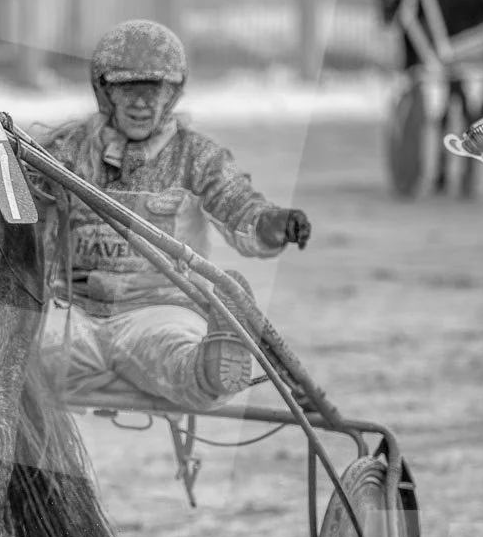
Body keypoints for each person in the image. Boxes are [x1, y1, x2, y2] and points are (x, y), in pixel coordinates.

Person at [34, 20, 312, 412]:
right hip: (73, 317)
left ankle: (212, 365)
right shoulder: (66, 151)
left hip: (159, 314)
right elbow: (21, 209)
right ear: (104, 89)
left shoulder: (196, 157)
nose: (142, 102)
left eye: (155, 89)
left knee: (178, 360)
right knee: (21, 356)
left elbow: (238, 203)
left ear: (174, 93)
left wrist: (271, 224)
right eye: (128, 88)